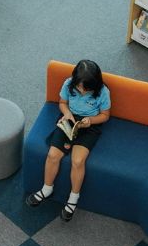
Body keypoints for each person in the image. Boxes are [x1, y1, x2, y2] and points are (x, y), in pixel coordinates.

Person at [26, 59, 110, 221]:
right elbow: (63, 103)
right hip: (68, 119)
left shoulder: (103, 92)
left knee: (77, 161)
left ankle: (73, 199)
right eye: (79, 87)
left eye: (87, 89)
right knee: (52, 155)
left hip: (89, 124)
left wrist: (90, 120)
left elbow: (105, 115)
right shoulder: (69, 84)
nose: (82, 91)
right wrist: (66, 113)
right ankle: (47, 188)